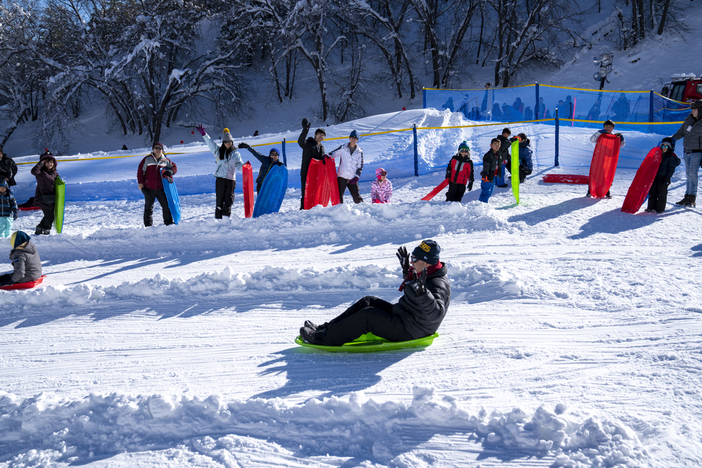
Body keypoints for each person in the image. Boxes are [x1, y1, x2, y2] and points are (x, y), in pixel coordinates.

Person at [299, 239, 450, 346]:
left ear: (427, 262)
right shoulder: (425, 272)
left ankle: (321, 338)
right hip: (406, 315)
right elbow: (417, 289)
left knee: (368, 316)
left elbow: (436, 314)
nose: (411, 262)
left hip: (412, 329)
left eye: (415, 259)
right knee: (368, 300)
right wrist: (407, 272)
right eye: (412, 257)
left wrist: (423, 293)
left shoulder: (438, 283)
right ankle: (324, 328)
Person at [196, 125, 244, 218]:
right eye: (226, 142)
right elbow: (210, 143)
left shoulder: (236, 154)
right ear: (223, 142)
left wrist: (245, 168)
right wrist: (204, 134)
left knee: (229, 200)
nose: (228, 143)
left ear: (232, 142)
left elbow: (239, 164)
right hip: (220, 179)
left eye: (229, 141)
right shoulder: (218, 151)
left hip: (230, 180)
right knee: (219, 200)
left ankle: (226, 218)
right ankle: (218, 219)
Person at [137, 142, 177, 226]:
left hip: (162, 189)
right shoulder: (147, 159)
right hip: (149, 188)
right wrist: (140, 183)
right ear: (153, 149)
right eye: (156, 148)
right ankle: (148, 226)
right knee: (148, 208)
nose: (158, 150)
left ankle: (168, 223)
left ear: (162, 150)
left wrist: (171, 171)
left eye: (160, 148)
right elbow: (140, 171)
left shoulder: (166, 161)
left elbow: (174, 167)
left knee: (166, 207)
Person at [671, 100, 702, 208]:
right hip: (687, 151)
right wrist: (671, 139)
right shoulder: (688, 120)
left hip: (697, 152)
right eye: (692, 109)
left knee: (693, 174)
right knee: (688, 174)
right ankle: (687, 195)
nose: (692, 111)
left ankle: (692, 197)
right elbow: (680, 132)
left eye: (695, 109)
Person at [586, 120, 625, 198]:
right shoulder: (601, 134)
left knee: (607, 174)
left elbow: (621, 145)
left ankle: (606, 191)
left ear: (613, 128)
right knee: (595, 173)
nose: (607, 128)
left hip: (609, 159)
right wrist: (599, 133)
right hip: (599, 157)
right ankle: (590, 190)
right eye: (606, 126)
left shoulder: (615, 137)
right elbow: (592, 140)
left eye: (609, 127)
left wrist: (621, 139)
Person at [645, 138, 680, 214]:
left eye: (666, 146)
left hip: (664, 178)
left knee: (662, 193)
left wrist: (667, 178)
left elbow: (671, 169)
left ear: (670, 147)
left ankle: (660, 209)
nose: (664, 147)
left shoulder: (672, 157)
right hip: (656, 177)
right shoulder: (659, 155)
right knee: (653, 192)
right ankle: (651, 207)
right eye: (663, 146)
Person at [298, 118, 326, 209]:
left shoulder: (322, 147)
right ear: (315, 135)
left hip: (316, 175)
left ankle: (312, 208)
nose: (321, 137)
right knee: (305, 192)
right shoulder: (308, 143)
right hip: (306, 172)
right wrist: (305, 130)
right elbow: (300, 142)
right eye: (319, 134)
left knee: (314, 192)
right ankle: (303, 209)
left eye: (323, 135)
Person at [329, 130, 364, 204]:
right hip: (342, 177)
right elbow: (333, 153)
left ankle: (363, 211)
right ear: (349, 138)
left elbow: (360, 166)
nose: (353, 139)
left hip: (352, 178)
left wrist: (357, 177)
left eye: (355, 138)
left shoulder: (359, 152)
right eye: (352, 137)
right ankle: (340, 211)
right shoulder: (343, 148)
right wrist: (326, 156)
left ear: (357, 140)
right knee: (338, 197)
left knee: (357, 198)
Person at [30, 150, 59, 235]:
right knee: (50, 216)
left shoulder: (54, 173)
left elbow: (59, 181)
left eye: (51, 162)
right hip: (43, 198)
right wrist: (41, 163)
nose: (50, 164)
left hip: (51, 198)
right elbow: (34, 171)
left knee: (48, 216)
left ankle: (39, 228)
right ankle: (46, 230)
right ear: (44, 163)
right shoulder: (41, 173)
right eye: (47, 162)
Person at [479, 139, 501, 203]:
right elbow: (486, 165)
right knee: (486, 192)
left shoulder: (498, 154)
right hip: (487, 176)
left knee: (490, 191)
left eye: (498, 145)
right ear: (491, 145)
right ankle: (482, 205)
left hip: (493, 176)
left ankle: (483, 204)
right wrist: (485, 174)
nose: (497, 146)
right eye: (495, 144)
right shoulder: (488, 155)